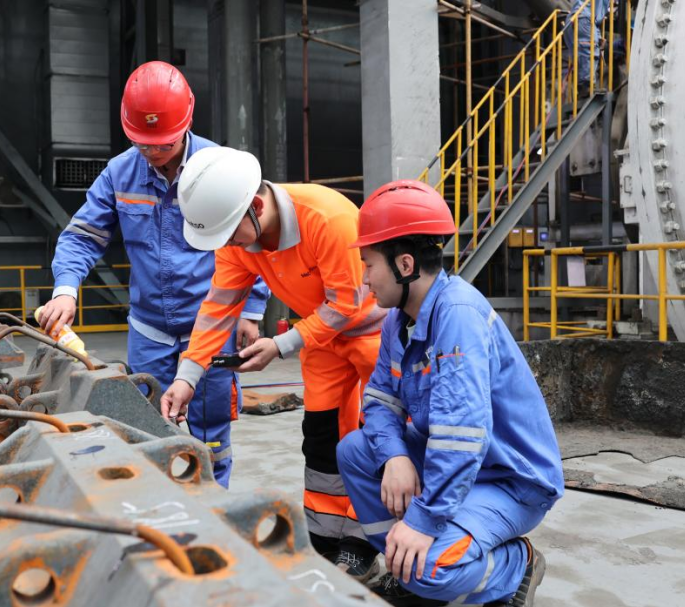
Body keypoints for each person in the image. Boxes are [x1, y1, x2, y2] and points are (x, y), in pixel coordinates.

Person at [37, 62, 268, 488]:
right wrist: (66, 289)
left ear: (187, 122)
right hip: (150, 333)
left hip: (210, 327)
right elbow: (81, 236)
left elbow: (255, 239)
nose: (152, 153)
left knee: (212, 437)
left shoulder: (219, 168)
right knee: (145, 431)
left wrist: (252, 310)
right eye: (142, 144)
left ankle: (217, 505)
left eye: (162, 144)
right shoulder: (120, 174)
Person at [160, 147, 385, 579]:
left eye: (229, 235)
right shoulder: (237, 237)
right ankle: (325, 536)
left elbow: (345, 305)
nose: (227, 245)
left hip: (374, 338)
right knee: (321, 436)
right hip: (320, 340)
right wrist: (187, 377)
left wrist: (281, 345)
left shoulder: (328, 218)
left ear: (257, 207)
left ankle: (362, 542)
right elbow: (218, 308)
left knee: (375, 435)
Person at [337, 180, 564, 606]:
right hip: (464, 466)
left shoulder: (457, 314)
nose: (364, 278)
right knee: (355, 451)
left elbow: (460, 436)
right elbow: (380, 400)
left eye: (368, 265)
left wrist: (423, 520)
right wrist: (395, 456)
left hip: (510, 480)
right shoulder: (398, 320)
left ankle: (516, 565)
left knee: (431, 570)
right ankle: (406, 566)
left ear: (405, 264)